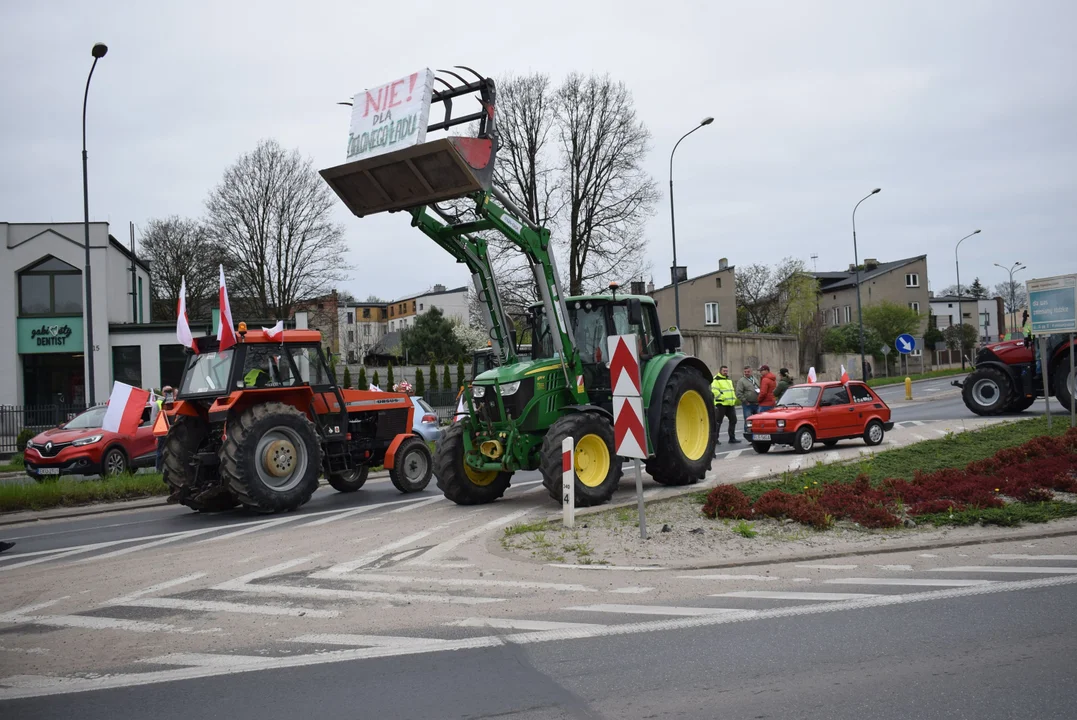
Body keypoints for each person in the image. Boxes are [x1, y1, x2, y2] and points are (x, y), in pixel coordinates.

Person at [710, 365, 740, 445]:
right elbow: (715, 391)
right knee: (718, 422)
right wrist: (723, 398)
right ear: (720, 371)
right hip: (721, 404)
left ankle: (732, 438)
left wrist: (734, 398)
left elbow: (731, 390)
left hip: (730, 404)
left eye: (726, 371)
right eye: (724, 371)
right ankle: (715, 439)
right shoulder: (716, 379)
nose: (726, 372)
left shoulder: (728, 379)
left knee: (733, 420)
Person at [734, 365, 760, 433]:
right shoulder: (741, 381)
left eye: (748, 371)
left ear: (751, 372)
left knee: (757, 421)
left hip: (756, 403)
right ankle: (748, 434)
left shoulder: (755, 379)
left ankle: (756, 435)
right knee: (748, 421)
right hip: (748, 404)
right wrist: (745, 401)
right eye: (745, 372)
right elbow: (739, 393)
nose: (746, 373)